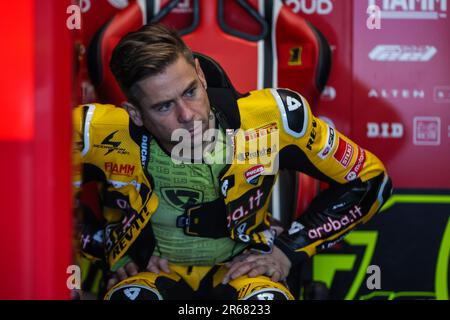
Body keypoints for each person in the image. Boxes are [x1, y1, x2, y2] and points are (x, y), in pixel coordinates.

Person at [73, 23, 392, 300]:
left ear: (199, 72)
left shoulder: (273, 117)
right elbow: (33, 201)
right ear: (135, 114)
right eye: (163, 107)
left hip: (243, 273)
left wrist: (287, 251)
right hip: (152, 274)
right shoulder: (94, 131)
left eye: (190, 92)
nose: (188, 115)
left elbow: (370, 181)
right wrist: (109, 249)